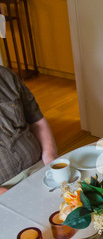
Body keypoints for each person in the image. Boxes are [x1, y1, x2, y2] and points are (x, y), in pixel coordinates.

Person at [0, 66, 57, 194]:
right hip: (4, 187)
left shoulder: (5, 75)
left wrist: (50, 158)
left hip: (39, 166)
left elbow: (37, 120)